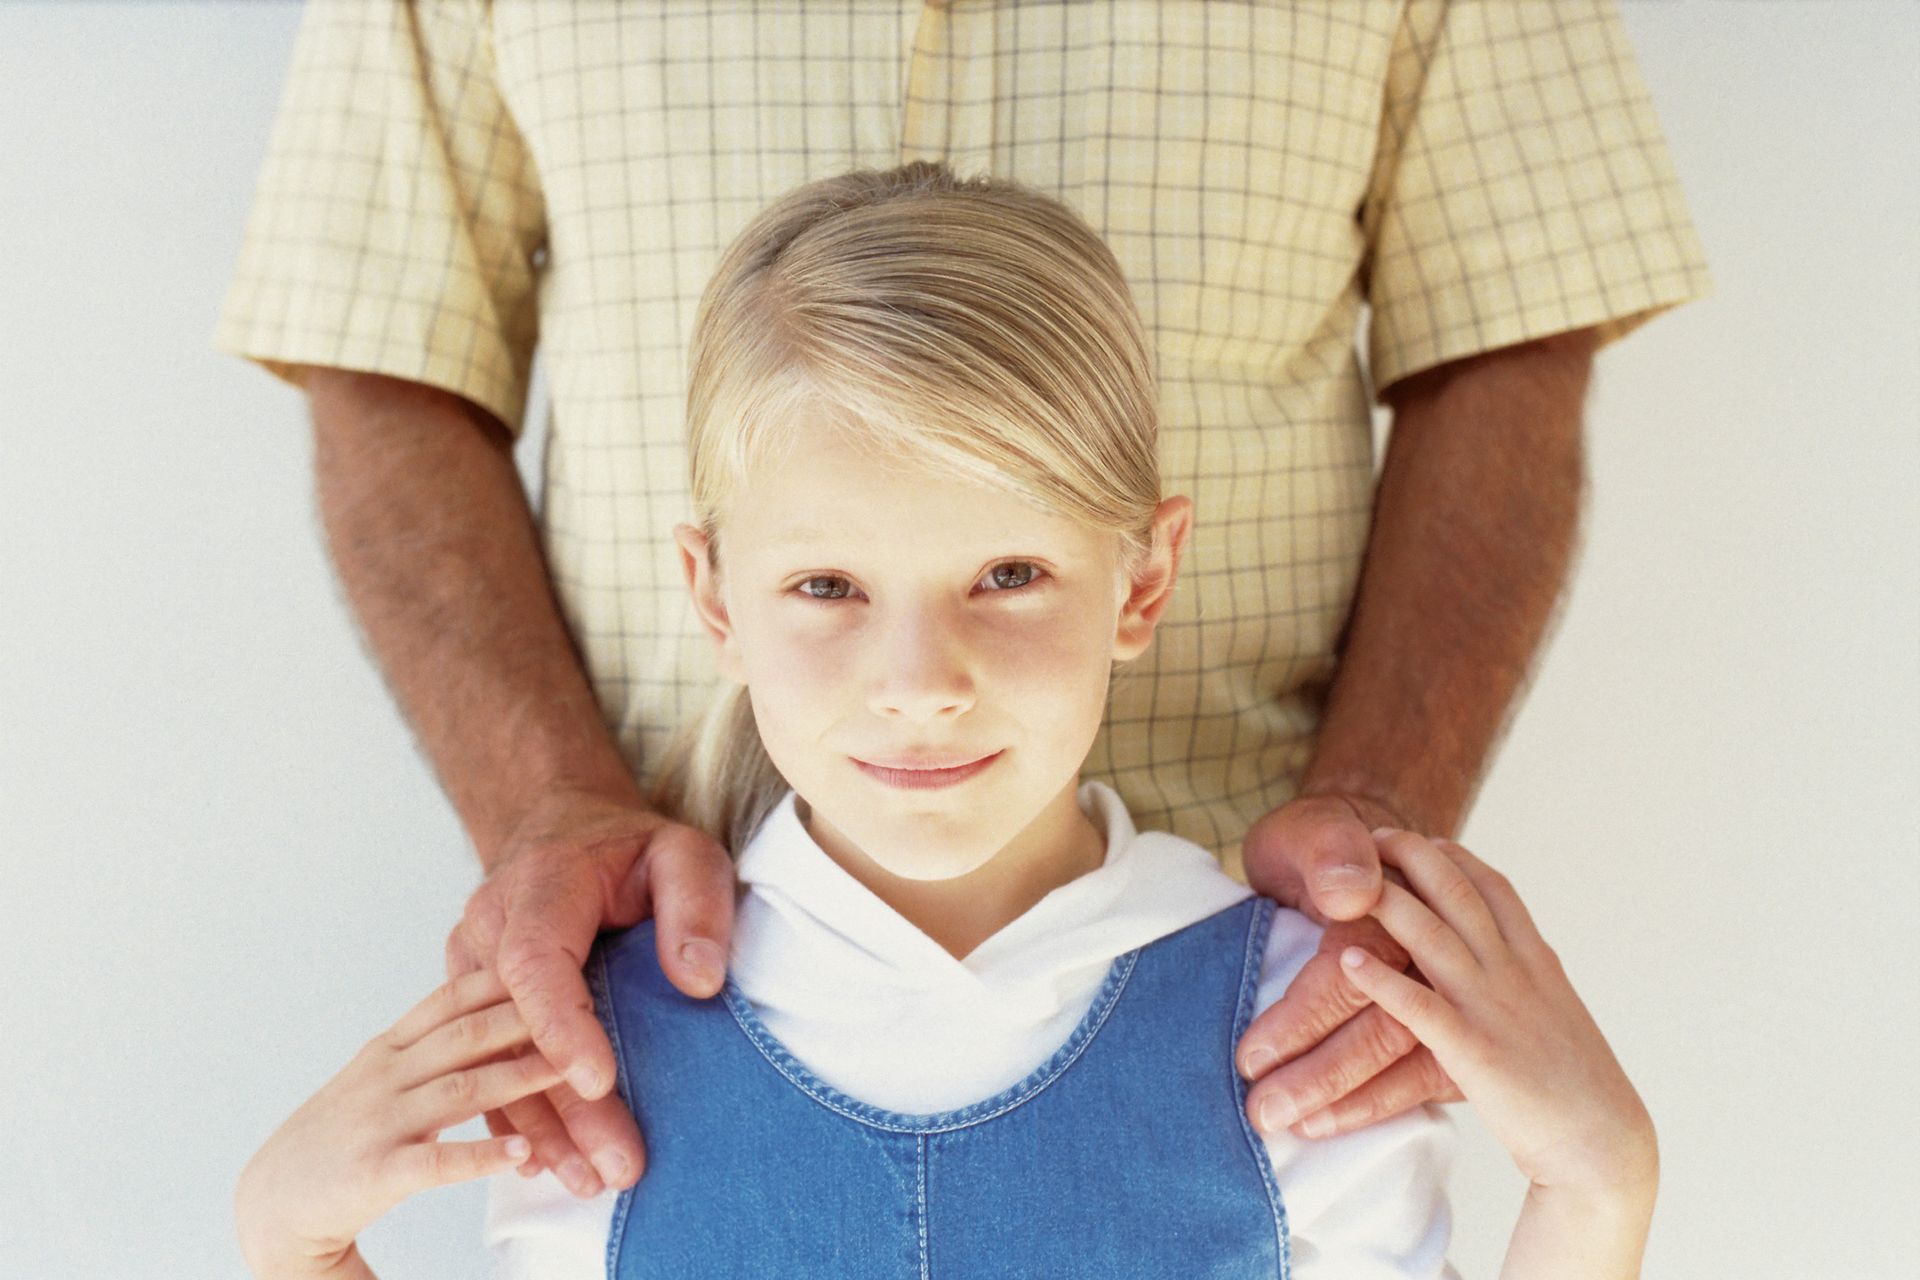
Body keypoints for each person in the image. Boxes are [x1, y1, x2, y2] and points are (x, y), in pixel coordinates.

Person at [214, 0, 1712, 1201]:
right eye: (825, 585)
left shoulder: (1291, 1047)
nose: (920, 677)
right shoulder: (597, 1093)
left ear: (1147, 577)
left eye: (1007, 578)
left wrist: (1375, 842)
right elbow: (390, 345)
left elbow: (1507, 325)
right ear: (716, 593)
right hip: (681, 941)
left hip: (1246, 985)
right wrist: (547, 803)